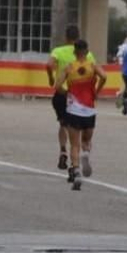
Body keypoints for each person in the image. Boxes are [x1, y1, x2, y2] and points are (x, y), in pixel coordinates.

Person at [55, 39, 108, 190]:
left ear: (74, 52)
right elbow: (104, 77)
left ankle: (77, 171)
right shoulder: (92, 66)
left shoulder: (69, 68)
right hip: (89, 109)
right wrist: (96, 92)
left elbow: (57, 86)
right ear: (87, 51)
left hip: (73, 109)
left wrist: (67, 93)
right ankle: (86, 153)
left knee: (74, 144)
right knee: (86, 141)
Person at [47, 25, 95, 171]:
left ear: (66, 37)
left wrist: (51, 78)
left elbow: (49, 65)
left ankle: (63, 151)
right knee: (81, 133)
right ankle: (83, 154)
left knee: (63, 125)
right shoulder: (88, 54)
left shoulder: (58, 51)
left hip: (63, 95)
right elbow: (94, 71)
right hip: (82, 98)